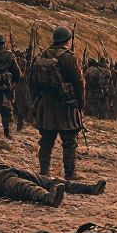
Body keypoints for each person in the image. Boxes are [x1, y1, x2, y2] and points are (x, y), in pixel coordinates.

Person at [31, 27, 86, 181]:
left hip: (46, 104)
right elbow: (79, 83)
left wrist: (37, 102)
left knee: (46, 141)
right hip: (66, 105)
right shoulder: (70, 58)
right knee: (69, 142)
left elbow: (33, 82)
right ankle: (69, 174)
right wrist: (80, 104)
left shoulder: (41, 56)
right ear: (68, 40)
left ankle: (44, 172)